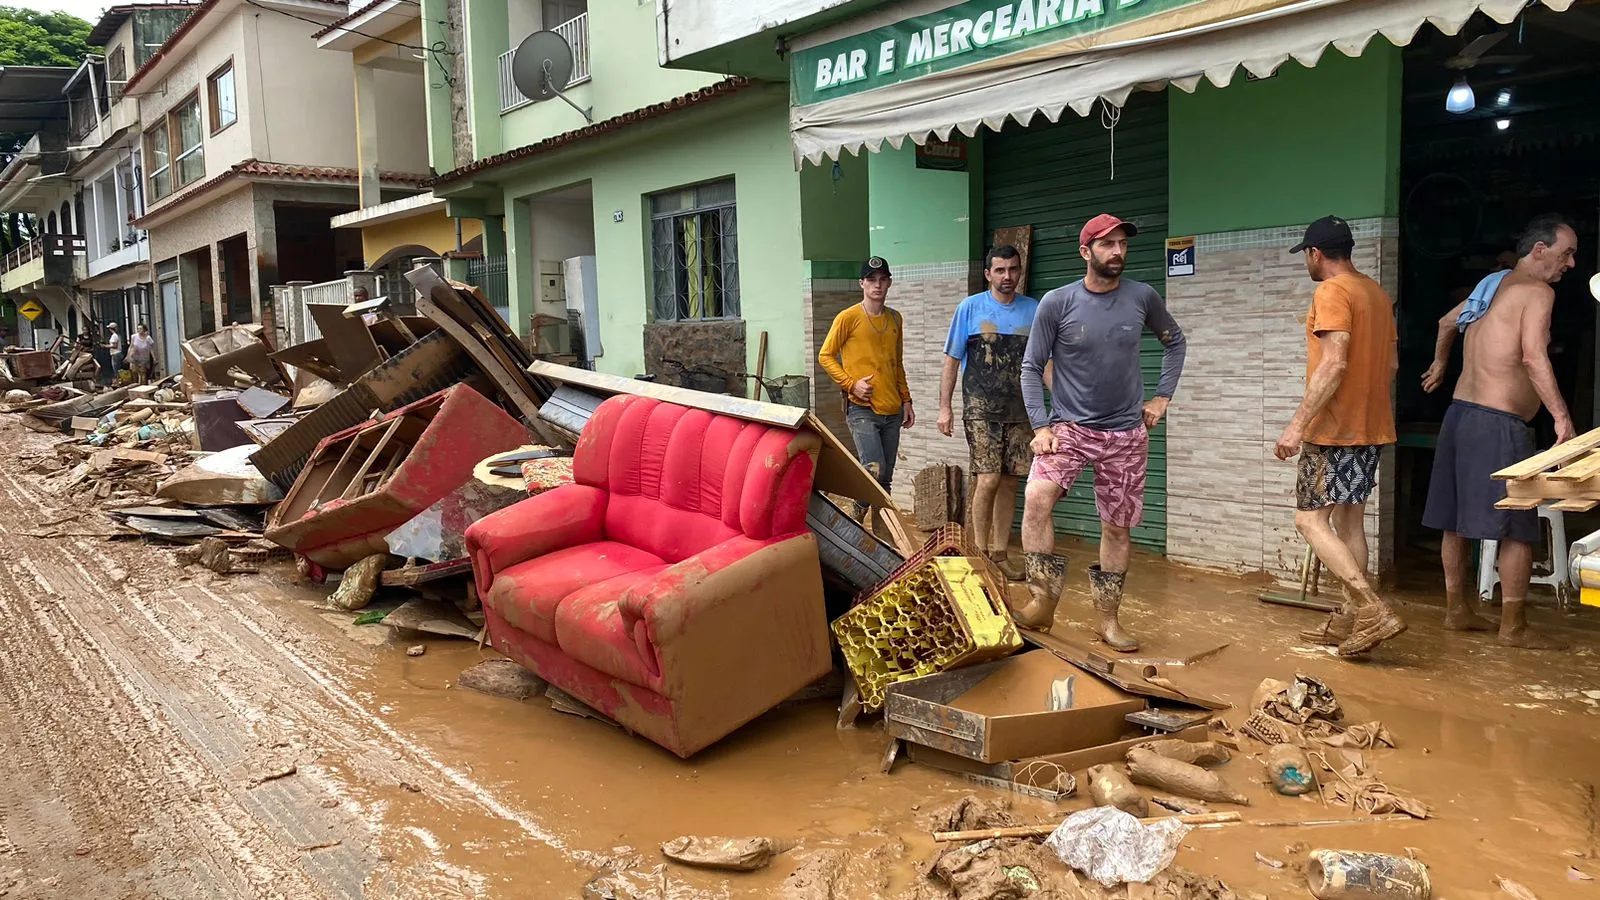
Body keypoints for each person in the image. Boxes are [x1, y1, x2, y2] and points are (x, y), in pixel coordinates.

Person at [1015, 214, 1187, 652]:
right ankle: (1042, 599)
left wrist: (1162, 398)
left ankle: (1109, 620)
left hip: (1126, 433)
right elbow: (1031, 366)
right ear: (1085, 251)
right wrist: (1040, 425)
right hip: (1069, 427)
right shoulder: (1057, 302)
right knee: (1036, 497)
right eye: (1107, 244)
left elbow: (1175, 341)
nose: (1118, 252)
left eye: (1122, 244)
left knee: (1117, 528)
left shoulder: (1142, 297)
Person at [1421, 214, 1579, 651]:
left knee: (1454, 522)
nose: (1570, 264)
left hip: (1460, 414)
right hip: (1498, 423)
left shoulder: (1493, 283)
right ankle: (1514, 626)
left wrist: (1439, 364)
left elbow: (1445, 323)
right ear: (1540, 250)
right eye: (1566, 253)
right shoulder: (1537, 291)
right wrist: (1561, 417)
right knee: (1518, 527)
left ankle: (1458, 610)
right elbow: (1533, 357)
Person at [1274, 216, 1406, 657]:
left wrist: (1297, 425)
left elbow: (1334, 363)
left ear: (1315, 253)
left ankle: (1370, 610)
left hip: (1332, 430)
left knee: (1309, 520)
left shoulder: (1331, 292)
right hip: (1371, 426)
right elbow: (1390, 366)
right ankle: (1353, 622)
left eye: (1307, 255)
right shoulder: (1376, 293)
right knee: (1349, 522)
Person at [938, 246, 1039, 580]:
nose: (1007, 276)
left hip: (1020, 409)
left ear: (1019, 271)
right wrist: (945, 408)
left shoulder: (1033, 310)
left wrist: (1054, 410)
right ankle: (978, 552)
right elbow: (951, 361)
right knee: (989, 477)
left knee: (1010, 481)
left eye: (1012, 269)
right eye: (1000, 270)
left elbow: (1044, 363)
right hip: (980, 407)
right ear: (988, 274)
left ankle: (999, 553)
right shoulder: (970, 308)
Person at [819, 256, 914, 501]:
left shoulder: (895, 318)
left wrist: (906, 400)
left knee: (885, 479)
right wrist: (852, 384)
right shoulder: (847, 317)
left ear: (890, 283)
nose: (877, 285)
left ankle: (883, 535)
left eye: (882, 280)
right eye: (871, 280)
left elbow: (897, 362)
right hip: (862, 408)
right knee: (873, 471)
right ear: (861, 283)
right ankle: (856, 528)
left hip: (892, 410)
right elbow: (825, 355)